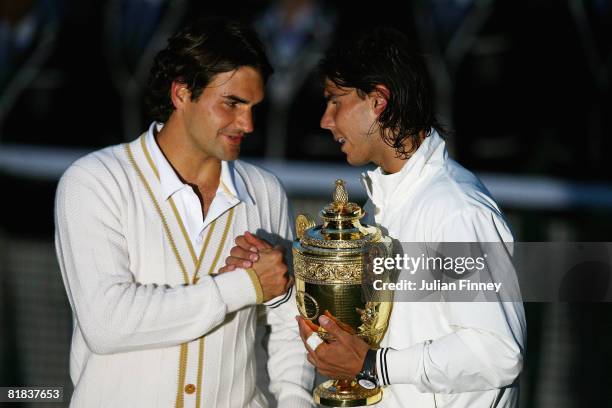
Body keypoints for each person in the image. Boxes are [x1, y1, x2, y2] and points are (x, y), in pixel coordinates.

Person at [225, 27, 526, 407]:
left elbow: (497, 353)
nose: (325, 120)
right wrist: (284, 282)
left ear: (378, 101)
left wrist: (372, 365)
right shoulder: (381, 207)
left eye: (336, 102)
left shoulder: (456, 211)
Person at [54, 17, 314, 407]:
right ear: (180, 94)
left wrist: (295, 401)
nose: (247, 123)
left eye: (253, 107)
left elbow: (287, 319)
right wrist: (243, 287)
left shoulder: (265, 191)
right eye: (232, 103)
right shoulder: (94, 181)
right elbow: (107, 323)